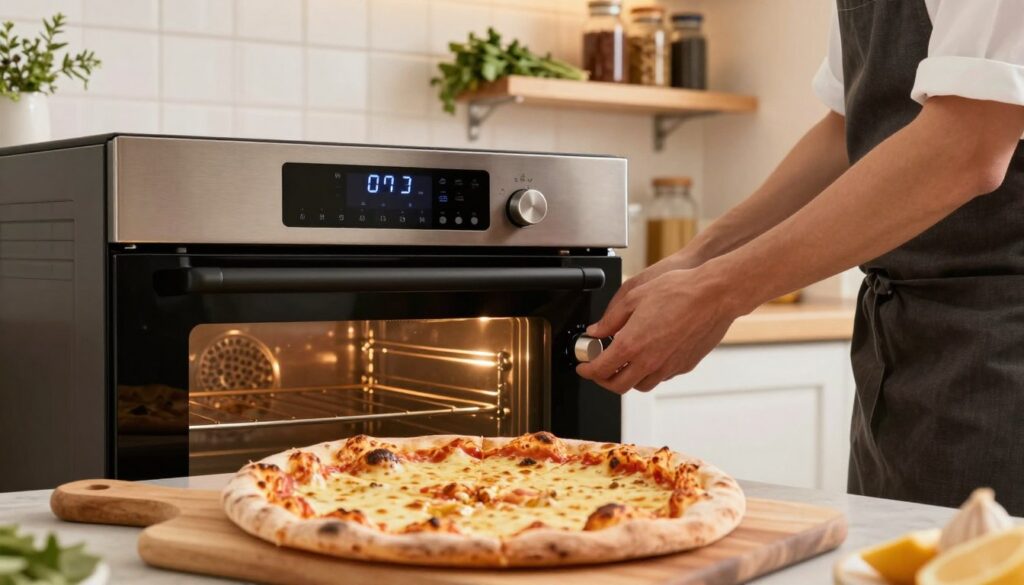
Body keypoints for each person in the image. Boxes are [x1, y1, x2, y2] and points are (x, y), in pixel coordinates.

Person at [577, 0, 1024, 514]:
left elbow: (969, 142)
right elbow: (844, 133)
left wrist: (717, 291)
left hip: (1002, 343)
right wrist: (698, 257)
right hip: (899, 346)